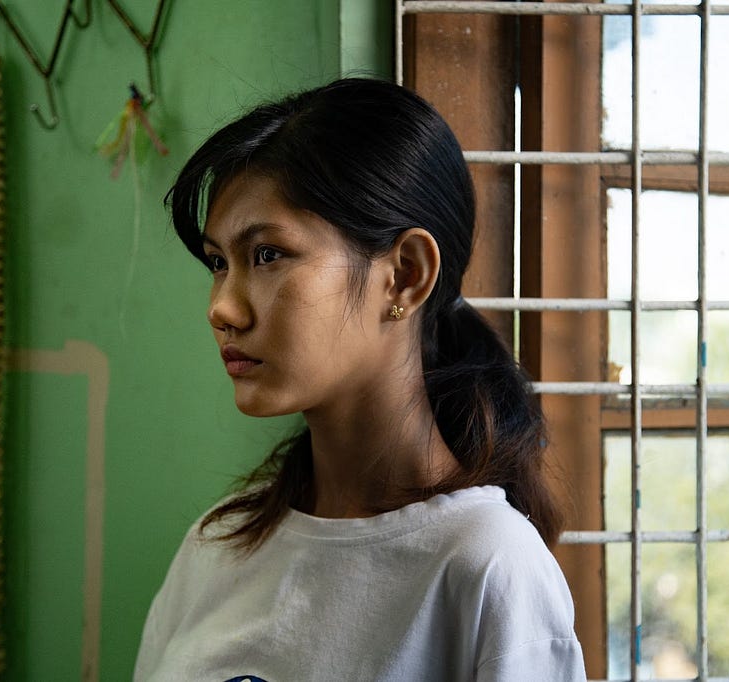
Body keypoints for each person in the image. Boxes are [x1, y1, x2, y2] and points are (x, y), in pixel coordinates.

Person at [133, 78, 586, 681]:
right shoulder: (216, 548)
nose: (222, 308)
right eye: (219, 263)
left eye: (266, 255)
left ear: (403, 275)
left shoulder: (488, 567)